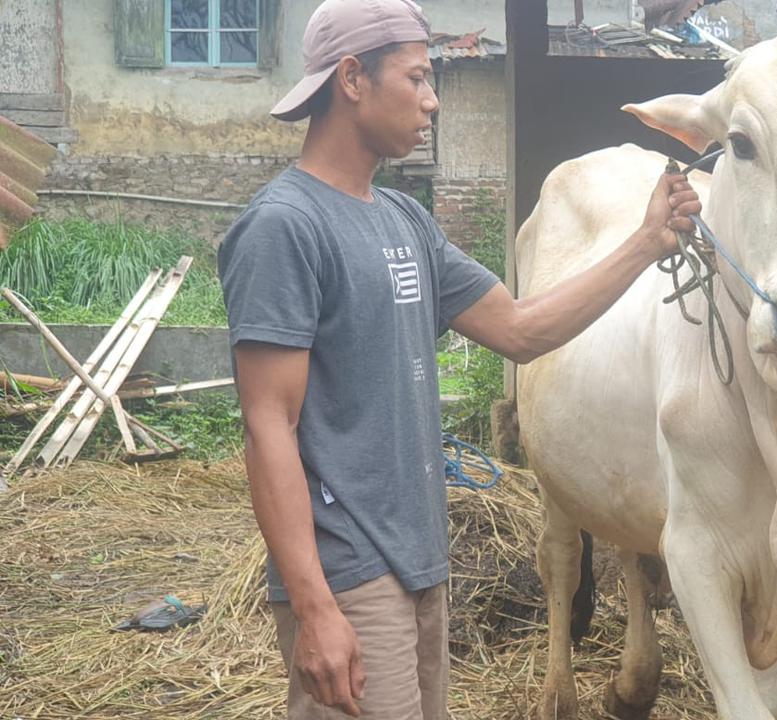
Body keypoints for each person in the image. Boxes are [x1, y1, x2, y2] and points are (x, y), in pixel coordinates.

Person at [216, 1, 701, 718]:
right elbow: (267, 428)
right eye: (416, 78)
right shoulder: (285, 228)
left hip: (420, 563)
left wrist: (644, 242)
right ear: (352, 79)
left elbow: (521, 329)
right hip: (349, 573)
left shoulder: (403, 219)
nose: (433, 99)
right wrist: (316, 609)